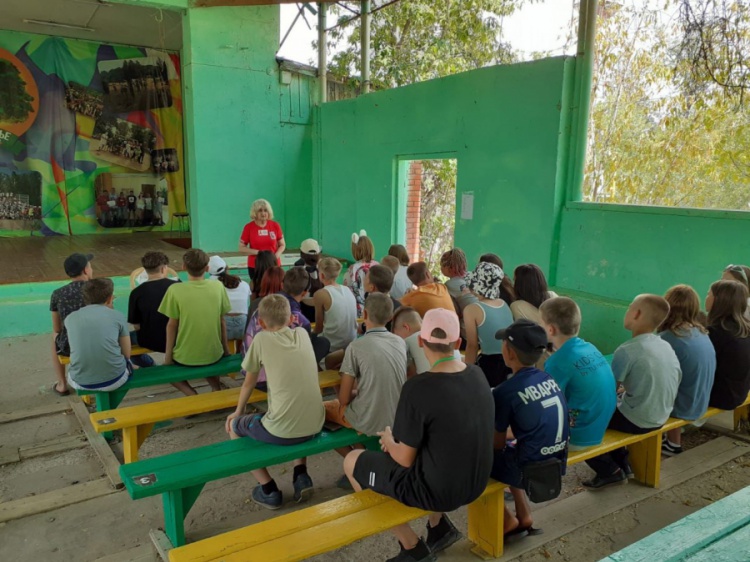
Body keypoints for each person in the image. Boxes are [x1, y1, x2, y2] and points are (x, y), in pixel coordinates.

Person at [343, 309, 494, 562]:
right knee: (435, 445)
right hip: (476, 482)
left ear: (421, 341)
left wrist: (388, 440)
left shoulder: (417, 387)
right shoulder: (477, 374)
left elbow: (403, 458)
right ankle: (438, 527)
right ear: (458, 342)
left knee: (351, 461)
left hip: (438, 492)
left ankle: (412, 547)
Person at [226, 295, 325, 509]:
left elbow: (249, 383)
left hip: (282, 430)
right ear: (291, 319)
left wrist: (238, 411)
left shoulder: (261, 339)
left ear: (261, 323)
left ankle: (268, 489)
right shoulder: (302, 334)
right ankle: (301, 474)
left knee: (233, 426)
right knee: (297, 410)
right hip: (315, 424)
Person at [583, 294, 681, 489]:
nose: (627, 312)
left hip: (639, 420)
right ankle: (623, 464)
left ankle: (609, 471)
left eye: (629, 308)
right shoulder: (664, 345)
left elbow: (607, 392)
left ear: (636, 314)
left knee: (583, 421)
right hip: (662, 415)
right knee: (615, 407)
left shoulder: (627, 350)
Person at [492, 319, 570, 536]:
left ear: (509, 352)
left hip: (529, 469)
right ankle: (524, 514)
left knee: (475, 464)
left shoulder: (504, 391)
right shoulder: (547, 377)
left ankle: (506, 520)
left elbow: (496, 445)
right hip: (557, 461)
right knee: (515, 447)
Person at [325, 293, 407, 442]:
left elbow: (343, 399)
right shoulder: (400, 342)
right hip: (397, 419)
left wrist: (357, 393)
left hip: (366, 421)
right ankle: (361, 450)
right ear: (391, 317)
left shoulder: (355, 347)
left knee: (322, 410)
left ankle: (356, 451)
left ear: (364, 314)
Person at [539, 297, 617, 450]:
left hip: (578, 436)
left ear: (551, 330)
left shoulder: (557, 362)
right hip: (602, 424)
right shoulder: (590, 347)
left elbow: (548, 406)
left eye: (540, 323)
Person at [243, 267, 330, 391]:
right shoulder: (300, 321)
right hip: (276, 380)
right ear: (305, 293)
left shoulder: (262, 307)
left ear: (282, 284)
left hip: (251, 375)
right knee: (323, 343)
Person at [159, 249, 232, 396]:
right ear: (207, 268)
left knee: (166, 373)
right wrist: (225, 350)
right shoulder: (217, 287)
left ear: (183, 267)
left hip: (184, 357)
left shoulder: (174, 289)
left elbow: (172, 325)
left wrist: (168, 357)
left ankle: (191, 393)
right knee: (207, 362)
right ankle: (216, 388)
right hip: (214, 354)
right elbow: (222, 321)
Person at [657, 285, 716, 455]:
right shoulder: (700, 332)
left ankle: (664, 444)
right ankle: (672, 442)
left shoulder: (667, 338)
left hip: (684, 407)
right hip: (701, 401)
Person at [65, 279, 132, 392]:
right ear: (110, 298)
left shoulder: (70, 318)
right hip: (115, 379)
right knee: (127, 364)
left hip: (80, 382)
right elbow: (127, 354)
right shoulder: (117, 316)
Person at [463, 261, 514, 387]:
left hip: (491, 365)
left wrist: (465, 375)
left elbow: (472, 346)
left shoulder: (472, 309)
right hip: (511, 361)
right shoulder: (504, 304)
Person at [50, 253, 94, 395]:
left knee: (54, 336)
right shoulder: (99, 289)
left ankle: (62, 384)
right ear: (85, 270)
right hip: (99, 342)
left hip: (71, 346)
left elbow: (57, 328)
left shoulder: (58, 294)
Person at [706, 280, 750, 410]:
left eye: (709, 294)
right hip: (740, 393)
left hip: (721, 398)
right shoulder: (744, 329)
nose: (706, 298)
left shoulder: (715, 332)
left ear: (718, 300)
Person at [128, 251, 179, 354]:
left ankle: (146, 362)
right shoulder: (178, 286)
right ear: (164, 268)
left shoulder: (136, 292)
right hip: (177, 339)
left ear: (145, 270)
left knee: (121, 339)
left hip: (149, 341)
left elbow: (136, 325)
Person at [391, 306, 461, 378]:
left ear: (406, 327)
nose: (399, 339)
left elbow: (408, 373)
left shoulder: (407, 341)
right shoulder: (446, 338)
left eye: (397, 335)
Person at [313, 257, 357, 368]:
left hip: (332, 347)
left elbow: (318, 328)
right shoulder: (347, 290)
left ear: (321, 275)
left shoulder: (320, 294)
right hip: (351, 343)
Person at [209, 256, 251, 353]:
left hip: (224, 324)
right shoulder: (244, 284)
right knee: (241, 352)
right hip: (243, 323)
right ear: (227, 268)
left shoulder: (211, 285)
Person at [238, 198, 285, 278]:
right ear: (255, 212)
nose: (263, 213)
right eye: (260, 211)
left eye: (265, 210)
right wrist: (260, 253)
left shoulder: (275, 225)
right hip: (255, 266)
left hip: (273, 264)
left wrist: (275, 256)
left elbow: (282, 245)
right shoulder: (248, 227)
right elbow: (241, 248)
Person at [344, 230, 378, 317]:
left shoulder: (352, 269)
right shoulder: (378, 266)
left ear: (355, 250)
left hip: (358, 312)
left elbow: (347, 291)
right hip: (377, 308)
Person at [360, 264, 401, 333]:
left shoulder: (395, 310)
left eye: (365, 278)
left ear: (371, 287)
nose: (363, 280)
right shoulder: (368, 296)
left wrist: (362, 326)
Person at [440, 248, 478, 314]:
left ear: (450, 267)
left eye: (442, 265)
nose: (441, 268)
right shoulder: (472, 275)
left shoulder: (449, 285)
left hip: (473, 316)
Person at [295, 239, 323, 322]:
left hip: (304, 311)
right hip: (321, 308)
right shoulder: (323, 268)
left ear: (302, 254)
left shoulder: (297, 270)